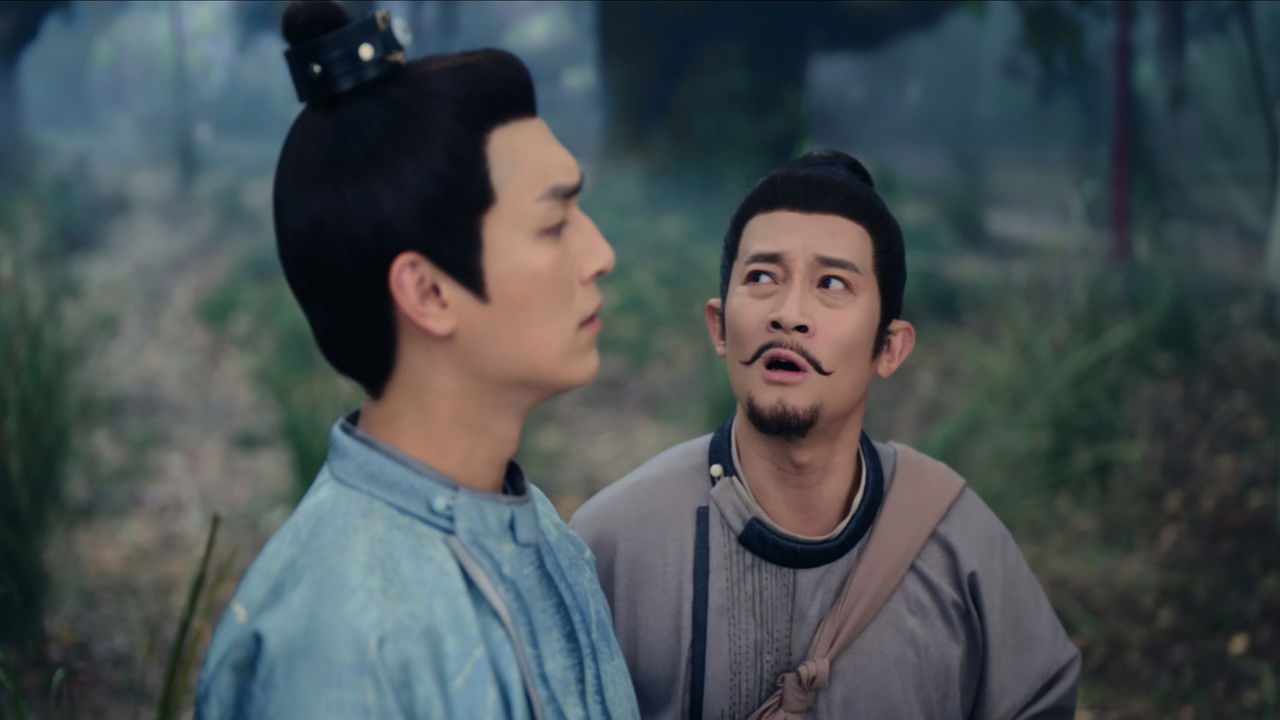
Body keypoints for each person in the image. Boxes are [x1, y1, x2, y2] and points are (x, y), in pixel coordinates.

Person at [196, 3, 638, 718]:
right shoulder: (341, 640)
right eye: (555, 223)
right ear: (428, 292)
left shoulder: (547, 537)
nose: (602, 255)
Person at [570, 151, 1080, 719]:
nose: (789, 314)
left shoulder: (957, 542)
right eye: (762, 277)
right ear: (719, 326)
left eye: (832, 283)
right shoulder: (615, 543)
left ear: (890, 348)